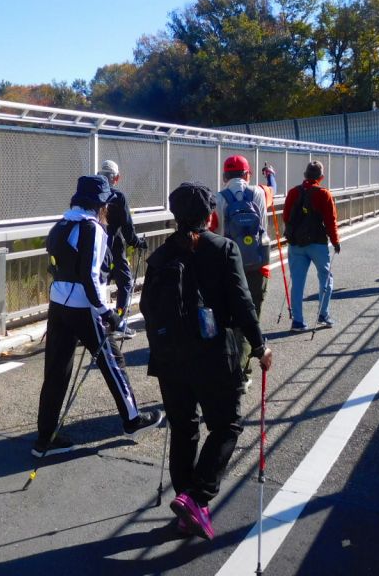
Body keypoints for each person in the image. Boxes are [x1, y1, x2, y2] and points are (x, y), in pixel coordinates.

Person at [145, 182, 273, 541]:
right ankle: (197, 496)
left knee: (184, 429)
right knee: (227, 425)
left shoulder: (160, 256)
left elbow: (147, 310)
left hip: (170, 360)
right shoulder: (223, 249)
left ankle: (187, 503)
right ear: (211, 215)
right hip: (215, 356)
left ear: (175, 215)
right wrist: (260, 346)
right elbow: (242, 303)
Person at [32, 175, 162, 458]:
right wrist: (107, 313)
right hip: (86, 307)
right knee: (113, 362)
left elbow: (56, 265)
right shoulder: (94, 229)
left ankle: (44, 437)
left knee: (56, 369)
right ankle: (132, 420)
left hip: (58, 303)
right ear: (100, 205)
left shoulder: (61, 224)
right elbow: (91, 277)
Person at [209, 155, 270, 385]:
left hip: (228, 266)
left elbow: (212, 230)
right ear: (248, 175)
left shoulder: (217, 198)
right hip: (257, 266)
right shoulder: (260, 193)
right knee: (250, 318)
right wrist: (269, 175)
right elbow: (270, 190)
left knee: (230, 319)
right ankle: (240, 374)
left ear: (225, 176)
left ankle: (233, 366)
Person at [282, 161, 341, 331]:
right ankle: (323, 315)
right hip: (317, 243)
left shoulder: (293, 192)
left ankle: (298, 321)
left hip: (296, 244)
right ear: (321, 177)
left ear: (305, 175)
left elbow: (286, 217)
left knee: (298, 282)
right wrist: (335, 241)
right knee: (326, 277)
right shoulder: (324, 194)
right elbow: (331, 222)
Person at [100, 159, 148, 341]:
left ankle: (95, 322)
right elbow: (127, 228)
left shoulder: (92, 194)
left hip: (93, 248)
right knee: (125, 282)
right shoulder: (117, 197)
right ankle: (117, 320)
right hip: (114, 247)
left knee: (97, 283)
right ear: (116, 178)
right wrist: (137, 243)